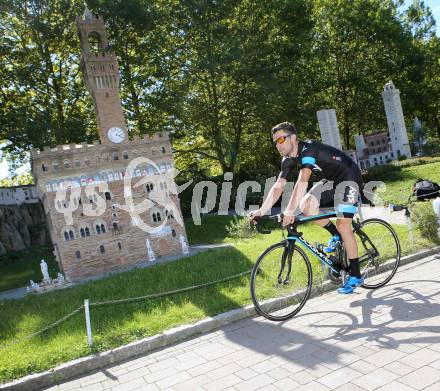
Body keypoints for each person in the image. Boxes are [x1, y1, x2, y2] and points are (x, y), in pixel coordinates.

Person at [249, 122, 364, 294]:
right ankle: (335, 234)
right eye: (275, 142)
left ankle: (355, 275)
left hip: (348, 176)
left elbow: (303, 180)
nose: (278, 145)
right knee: (306, 206)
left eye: (280, 139)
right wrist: (261, 211)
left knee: (343, 224)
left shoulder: (308, 149)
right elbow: (278, 187)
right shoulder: (287, 160)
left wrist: (289, 211)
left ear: (293, 138)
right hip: (331, 180)